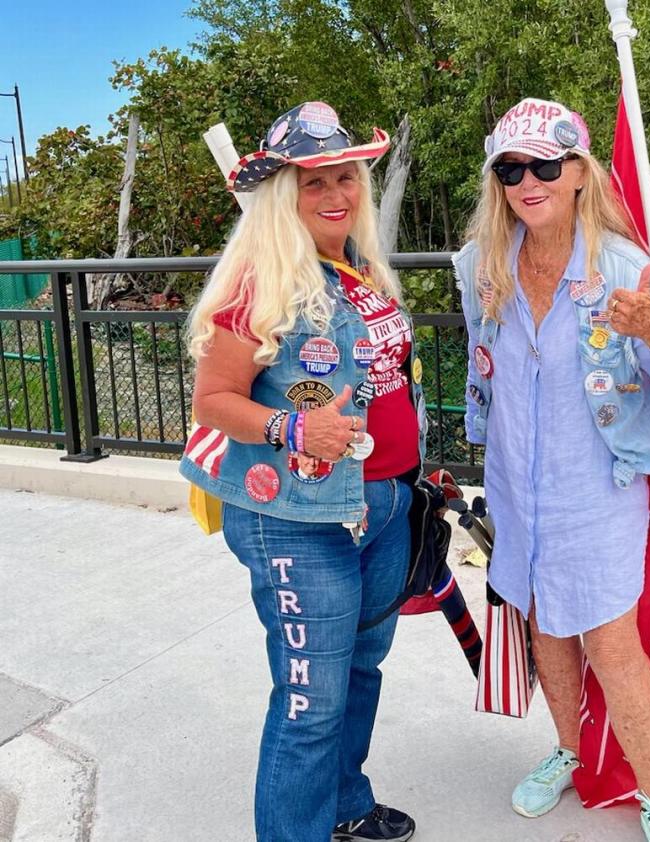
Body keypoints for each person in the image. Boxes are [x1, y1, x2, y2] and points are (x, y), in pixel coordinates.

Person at [454, 97, 650, 842]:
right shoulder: (481, 267)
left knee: (612, 642)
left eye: (547, 164)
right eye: (511, 168)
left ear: (580, 173)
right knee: (546, 629)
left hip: (598, 494)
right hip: (516, 489)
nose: (528, 181)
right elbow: (482, 372)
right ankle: (572, 754)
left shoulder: (624, 268)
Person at [181, 101, 427, 842]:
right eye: (312, 182)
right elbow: (212, 400)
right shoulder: (257, 283)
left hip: (382, 504)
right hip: (295, 517)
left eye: (345, 177)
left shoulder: (356, 267)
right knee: (308, 701)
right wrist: (293, 426)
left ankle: (345, 808)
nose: (335, 195)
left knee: (358, 673)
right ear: (283, 193)